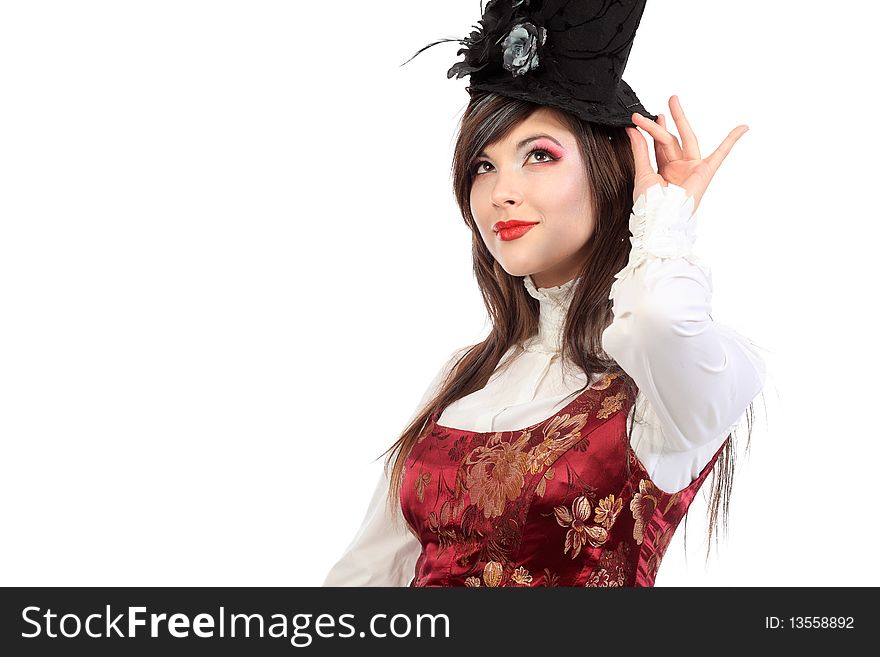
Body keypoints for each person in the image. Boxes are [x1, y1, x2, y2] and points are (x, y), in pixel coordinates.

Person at [323, 0, 767, 587]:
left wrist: (663, 217)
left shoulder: (678, 376)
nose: (501, 192)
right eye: (483, 166)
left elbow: (657, 317)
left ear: (611, 174)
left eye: (538, 156)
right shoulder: (467, 373)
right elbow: (368, 572)